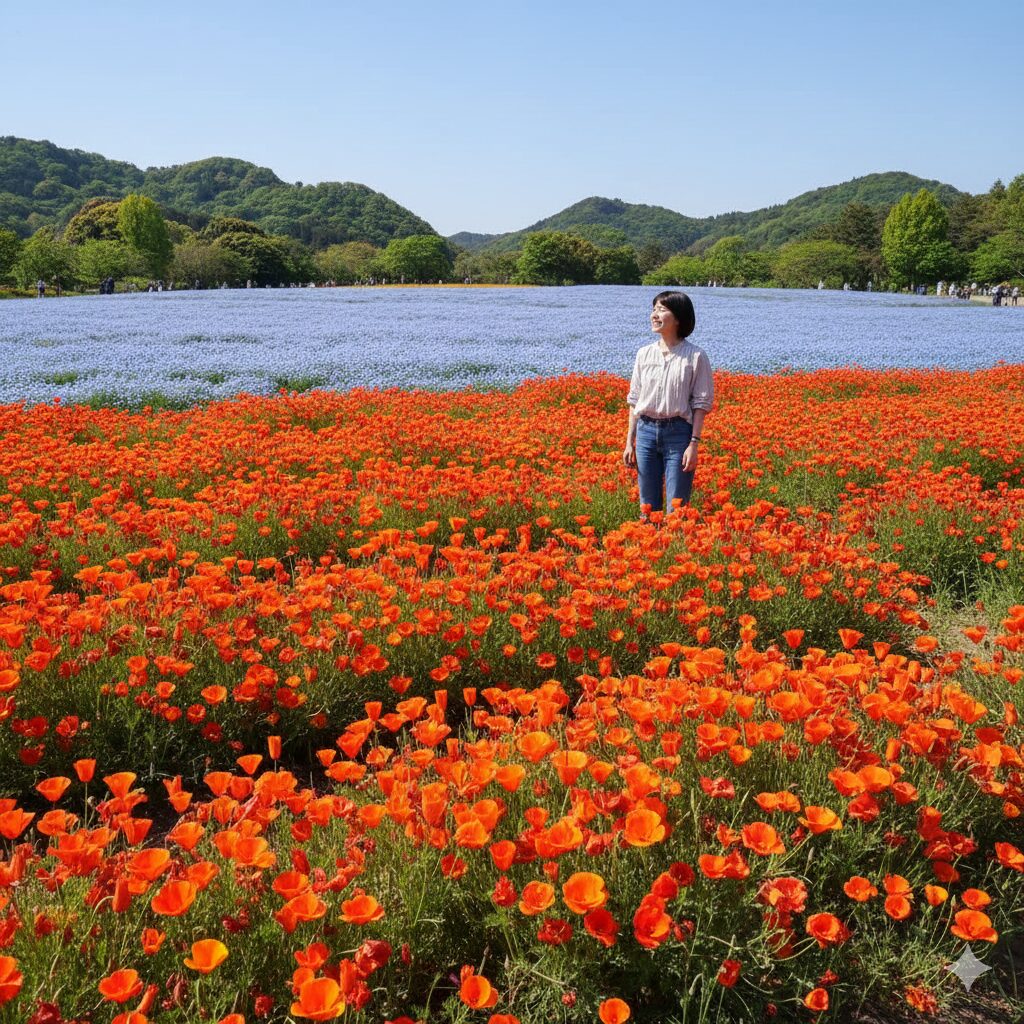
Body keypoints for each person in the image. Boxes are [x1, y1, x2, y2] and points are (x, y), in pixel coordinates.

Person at [623, 291, 714, 516]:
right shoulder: (644, 354)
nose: (654, 315)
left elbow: (701, 404)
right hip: (645, 433)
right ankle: (649, 537)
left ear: (678, 318)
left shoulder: (695, 356)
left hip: (678, 434)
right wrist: (629, 442)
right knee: (647, 507)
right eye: (654, 309)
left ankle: (674, 539)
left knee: (677, 507)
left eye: (662, 310)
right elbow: (634, 400)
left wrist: (694, 444)